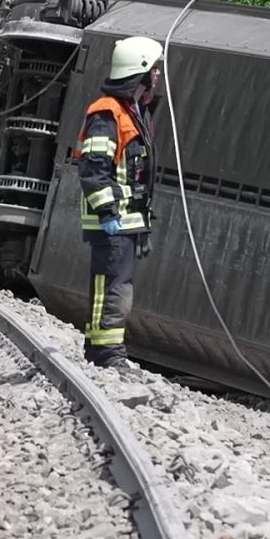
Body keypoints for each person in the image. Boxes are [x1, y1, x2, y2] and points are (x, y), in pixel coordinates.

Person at [75, 35, 164, 369]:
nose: (157, 73)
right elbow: (93, 168)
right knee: (111, 285)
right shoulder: (107, 114)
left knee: (116, 284)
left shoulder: (133, 112)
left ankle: (102, 349)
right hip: (113, 219)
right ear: (139, 70)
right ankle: (106, 353)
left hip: (128, 218)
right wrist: (107, 211)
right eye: (153, 68)